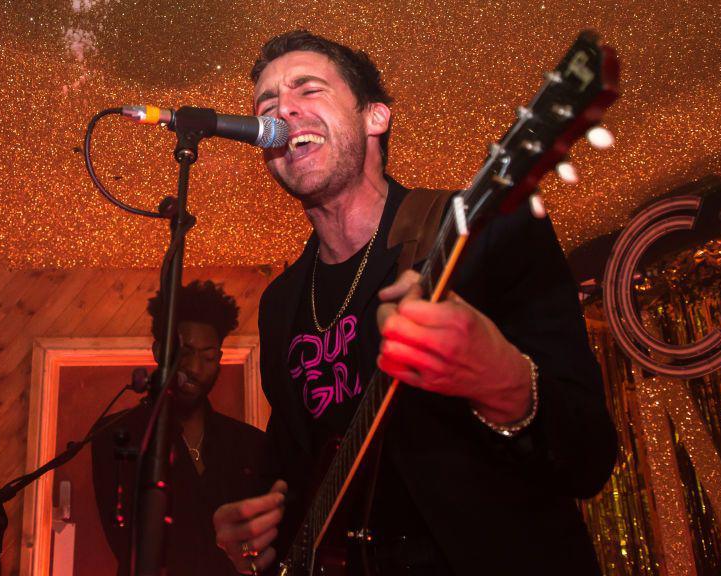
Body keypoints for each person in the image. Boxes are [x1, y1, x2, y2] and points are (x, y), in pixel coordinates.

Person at [213, 31, 618, 575]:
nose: (282, 108)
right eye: (267, 104)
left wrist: (501, 380)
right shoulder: (282, 303)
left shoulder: (484, 233)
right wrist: (259, 528)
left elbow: (589, 454)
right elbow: (296, 463)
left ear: (375, 117)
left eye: (307, 90)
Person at [92, 280, 267, 576]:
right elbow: (128, 542)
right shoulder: (118, 435)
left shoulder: (250, 444)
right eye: (185, 352)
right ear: (159, 350)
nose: (195, 369)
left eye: (208, 357)